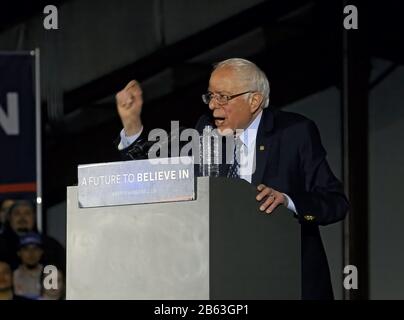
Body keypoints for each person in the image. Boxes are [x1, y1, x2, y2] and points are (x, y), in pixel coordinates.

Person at [115, 58, 349, 300]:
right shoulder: (204, 131)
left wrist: (288, 201)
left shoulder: (294, 132)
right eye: (210, 96)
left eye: (223, 97)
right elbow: (155, 175)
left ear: (254, 100)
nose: (213, 107)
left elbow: (335, 202)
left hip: (288, 280)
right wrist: (132, 125)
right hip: (225, 283)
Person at [0, 200, 65, 272]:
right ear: (9, 217)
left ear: (34, 217)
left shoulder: (51, 246)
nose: (22, 218)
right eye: (17, 213)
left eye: (27, 213)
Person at [13, 232, 44, 299]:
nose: (31, 253)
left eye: (35, 249)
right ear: (19, 253)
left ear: (41, 252)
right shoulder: (12, 276)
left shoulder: (49, 275)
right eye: (26, 249)